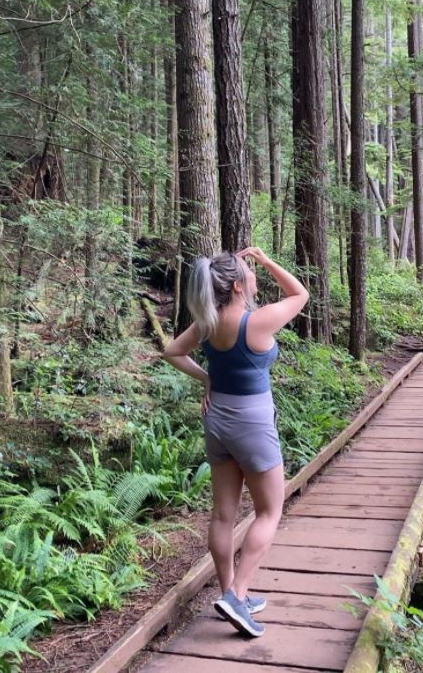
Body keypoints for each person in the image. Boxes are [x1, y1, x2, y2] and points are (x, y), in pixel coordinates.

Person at [161, 247, 309, 637]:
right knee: (269, 511)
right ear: (239, 285)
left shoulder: (207, 323)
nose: (255, 278)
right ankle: (237, 596)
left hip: (218, 419)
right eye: (250, 273)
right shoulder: (256, 323)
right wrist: (265, 258)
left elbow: (172, 351)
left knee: (223, 514)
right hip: (253, 421)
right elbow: (300, 295)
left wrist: (207, 380)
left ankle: (229, 592)